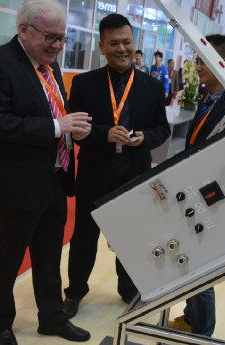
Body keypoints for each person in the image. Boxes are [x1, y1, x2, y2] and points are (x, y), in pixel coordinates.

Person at [0, 0, 93, 345]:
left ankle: (52, 317)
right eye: (50, 37)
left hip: (55, 176)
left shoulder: (50, 67)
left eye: (62, 38)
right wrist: (57, 126)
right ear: (23, 30)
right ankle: (0, 322)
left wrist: (74, 131)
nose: (57, 46)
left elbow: (55, 111)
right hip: (18, 180)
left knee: (49, 253)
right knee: (9, 255)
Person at [62, 14, 171, 317]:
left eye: (126, 42)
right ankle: (75, 292)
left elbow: (162, 129)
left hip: (134, 175)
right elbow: (75, 127)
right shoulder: (84, 84)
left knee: (132, 238)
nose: (121, 49)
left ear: (135, 43)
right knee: (84, 238)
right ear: (102, 47)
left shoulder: (152, 86)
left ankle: (128, 289)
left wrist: (145, 138)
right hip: (94, 174)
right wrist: (104, 134)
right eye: (113, 43)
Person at [168, 34, 225, 345]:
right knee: (191, 257)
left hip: (215, 195)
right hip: (196, 189)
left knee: (202, 267)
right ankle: (191, 319)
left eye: (203, 60)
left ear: (223, 64)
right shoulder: (209, 98)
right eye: (197, 59)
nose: (197, 66)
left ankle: (202, 339)